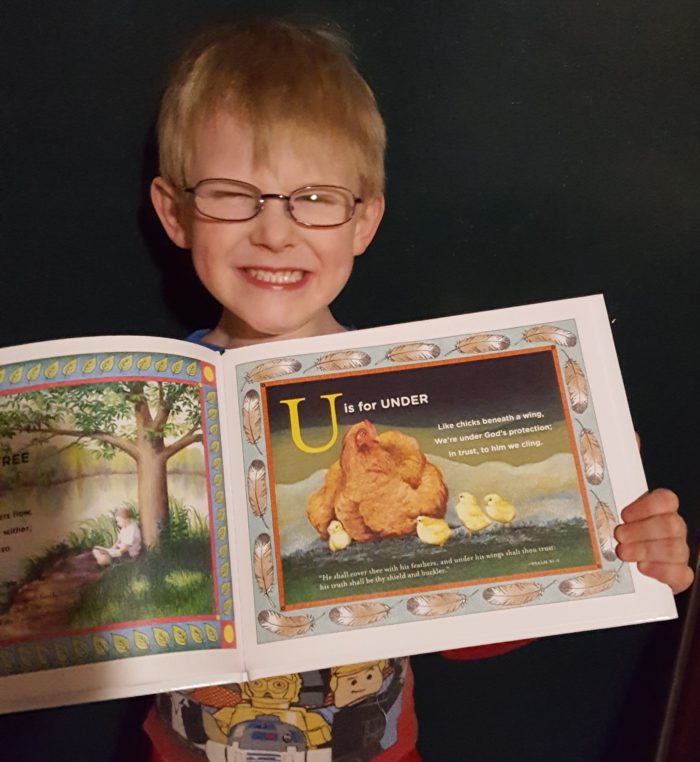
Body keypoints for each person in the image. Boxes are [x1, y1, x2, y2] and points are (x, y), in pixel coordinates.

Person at [144, 19, 693, 761]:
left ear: (363, 220)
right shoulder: (151, 402)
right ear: (175, 212)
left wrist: (610, 545)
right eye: (232, 195)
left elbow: (467, 631)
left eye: (313, 197)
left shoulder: (412, 395)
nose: (275, 232)